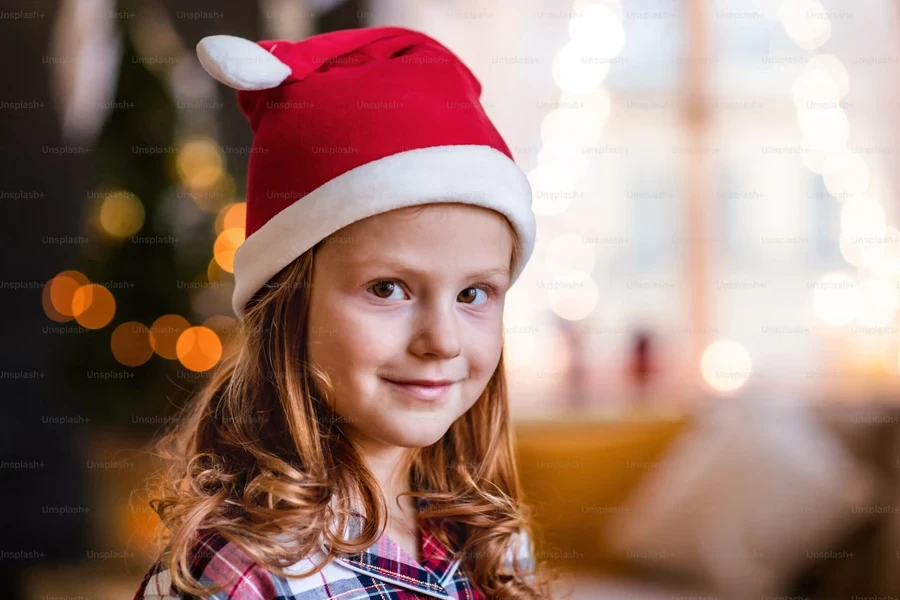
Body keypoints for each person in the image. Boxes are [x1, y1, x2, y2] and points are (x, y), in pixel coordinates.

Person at [134, 27, 554, 599]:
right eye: (387, 289)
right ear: (287, 304)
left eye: (473, 294)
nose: (443, 341)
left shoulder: (493, 539)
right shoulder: (240, 573)